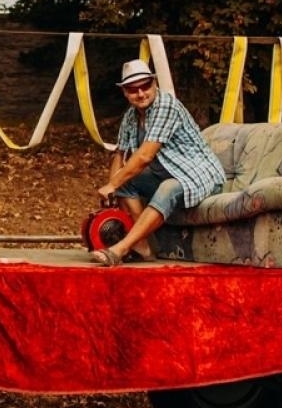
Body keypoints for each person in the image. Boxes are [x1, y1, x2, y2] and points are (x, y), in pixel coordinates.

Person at [90, 58, 224, 266]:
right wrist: (112, 190)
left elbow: (145, 156)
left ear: (154, 83)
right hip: (167, 174)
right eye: (133, 89)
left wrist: (113, 184)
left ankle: (120, 248)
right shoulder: (130, 117)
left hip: (199, 175)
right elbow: (119, 154)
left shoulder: (166, 106)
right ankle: (141, 246)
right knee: (124, 181)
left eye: (145, 86)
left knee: (167, 187)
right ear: (125, 92)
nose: (141, 93)